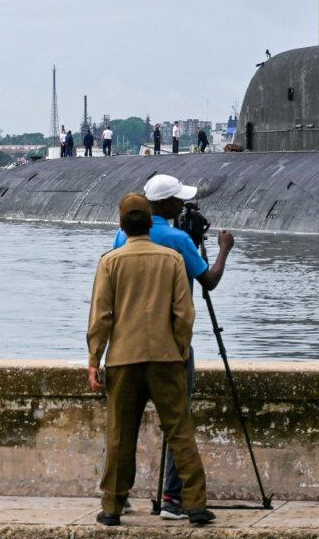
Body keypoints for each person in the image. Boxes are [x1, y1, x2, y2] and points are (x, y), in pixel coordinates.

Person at [110, 175, 234, 520]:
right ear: (164, 205)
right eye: (177, 200)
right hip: (171, 348)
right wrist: (223, 248)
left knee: (124, 428)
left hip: (127, 346)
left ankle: (118, 498)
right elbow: (208, 281)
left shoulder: (124, 236)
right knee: (179, 425)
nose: (182, 205)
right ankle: (173, 499)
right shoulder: (179, 240)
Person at [87, 193, 214, 527]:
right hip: (166, 358)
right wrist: (180, 349)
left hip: (123, 359)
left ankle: (112, 506)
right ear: (150, 220)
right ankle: (195, 504)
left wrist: (93, 360)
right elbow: (184, 314)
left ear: (121, 224)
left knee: (120, 435)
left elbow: (101, 316)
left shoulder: (110, 261)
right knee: (180, 431)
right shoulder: (172, 259)